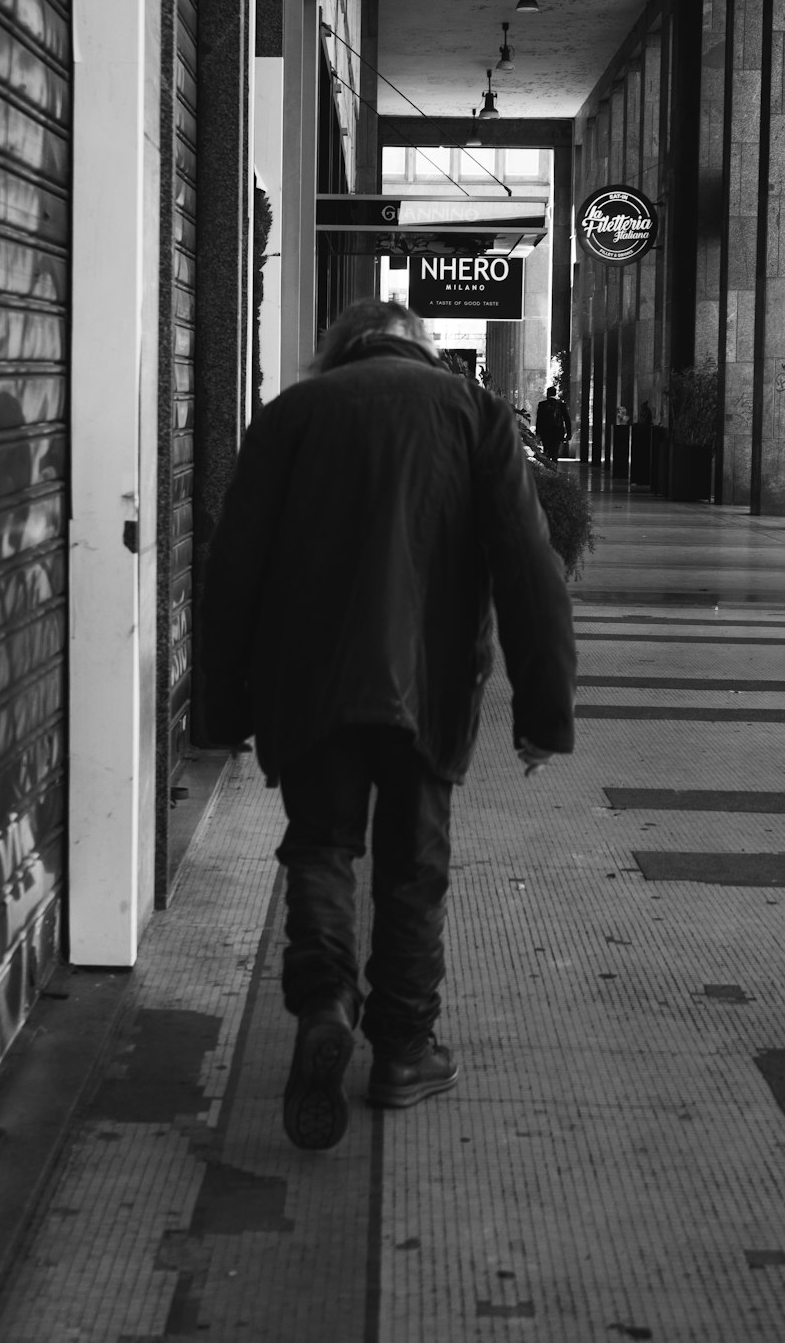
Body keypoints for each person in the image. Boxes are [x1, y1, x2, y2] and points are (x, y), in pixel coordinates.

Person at [201, 299, 576, 1150]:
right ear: (421, 347)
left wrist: (223, 710)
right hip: (429, 679)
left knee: (322, 846)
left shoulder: (291, 414)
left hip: (311, 682)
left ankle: (326, 996)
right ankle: (404, 1051)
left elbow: (233, 568)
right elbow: (528, 561)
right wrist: (544, 715)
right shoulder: (472, 412)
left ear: (342, 350)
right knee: (414, 865)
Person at [535, 384, 572, 462]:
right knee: (555, 452)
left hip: (545, 433)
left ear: (547, 394)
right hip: (557, 433)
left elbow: (539, 420)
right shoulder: (561, 405)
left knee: (546, 451)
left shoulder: (542, 405)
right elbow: (566, 419)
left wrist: (538, 433)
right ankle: (554, 469)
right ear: (555, 394)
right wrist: (569, 433)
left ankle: (548, 470)